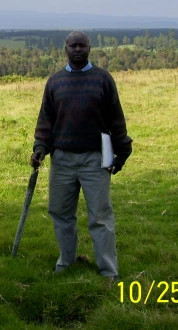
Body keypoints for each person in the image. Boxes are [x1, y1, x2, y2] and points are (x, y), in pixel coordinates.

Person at [30, 31, 132, 280]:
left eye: (82, 45)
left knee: (100, 216)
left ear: (89, 48)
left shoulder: (103, 79)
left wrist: (122, 152)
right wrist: (40, 149)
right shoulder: (55, 82)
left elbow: (115, 119)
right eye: (72, 45)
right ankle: (66, 263)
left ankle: (108, 271)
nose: (77, 49)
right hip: (62, 160)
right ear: (65, 49)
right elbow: (46, 120)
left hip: (95, 160)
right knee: (61, 214)